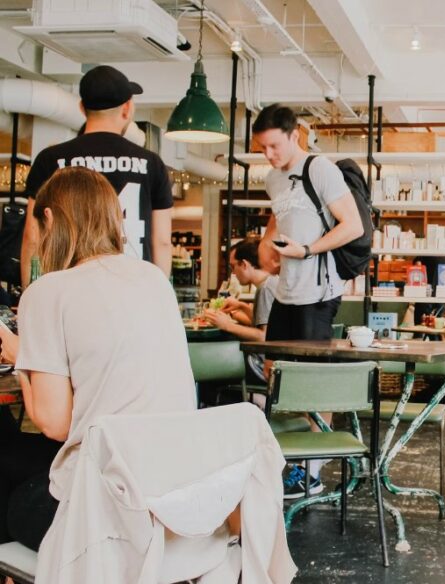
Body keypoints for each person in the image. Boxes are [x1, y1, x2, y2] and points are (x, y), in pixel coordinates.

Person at [0, 167, 194, 551]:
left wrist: (21, 356)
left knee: (14, 499)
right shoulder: (153, 278)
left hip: (109, 509)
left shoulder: (46, 292)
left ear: (50, 218)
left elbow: (54, 424)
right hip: (175, 494)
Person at [21, 65, 174, 285]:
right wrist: (159, 295)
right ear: (127, 108)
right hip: (133, 287)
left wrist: (30, 293)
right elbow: (161, 241)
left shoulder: (50, 159)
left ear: (82, 108)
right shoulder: (151, 164)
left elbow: (33, 236)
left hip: (69, 286)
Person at [253, 104, 362, 342]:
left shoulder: (319, 169)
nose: (269, 155)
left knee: (307, 373)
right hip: (284, 292)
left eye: (274, 146)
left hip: (318, 293)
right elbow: (281, 213)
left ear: (294, 136)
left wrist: (306, 250)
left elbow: (354, 225)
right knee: (273, 366)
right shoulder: (272, 179)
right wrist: (266, 242)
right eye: (263, 147)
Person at [204, 238, 279, 384]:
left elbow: (265, 337)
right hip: (273, 362)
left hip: (261, 365)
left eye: (233, 267)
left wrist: (227, 325)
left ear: (244, 264)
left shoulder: (265, 289)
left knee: (211, 360)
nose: (233, 273)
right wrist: (242, 306)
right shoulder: (272, 282)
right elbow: (270, 324)